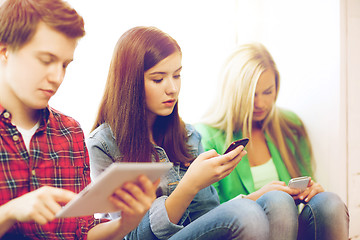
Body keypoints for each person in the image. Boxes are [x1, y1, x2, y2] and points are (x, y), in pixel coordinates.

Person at [87, 26, 301, 240]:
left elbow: (209, 219)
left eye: (177, 75)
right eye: (158, 79)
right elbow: (130, 236)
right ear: (130, 82)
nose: (172, 88)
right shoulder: (102, 145)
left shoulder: (187, 136)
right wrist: (189, 185)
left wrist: (255, 197)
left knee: (277, 200)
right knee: (247, 212)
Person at [0, 0, 158, 239]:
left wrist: (126, 223)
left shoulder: (69, 132)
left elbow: (83, 232)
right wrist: (9, 212)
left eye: (65, 64)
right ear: (5, 51)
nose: (57, 76)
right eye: (46, 60)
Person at [195, 42, 349, 240]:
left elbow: (304, 184)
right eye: (252, 95)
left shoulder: (290, 125)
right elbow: (208, 219)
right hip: (240, 231)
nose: (260, 103)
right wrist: (261, 196)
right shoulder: (205, 136)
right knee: (278, 201)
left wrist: (312, 191)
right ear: (234, 94)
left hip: (290, 229)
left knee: (329, 202)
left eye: (268, 92)